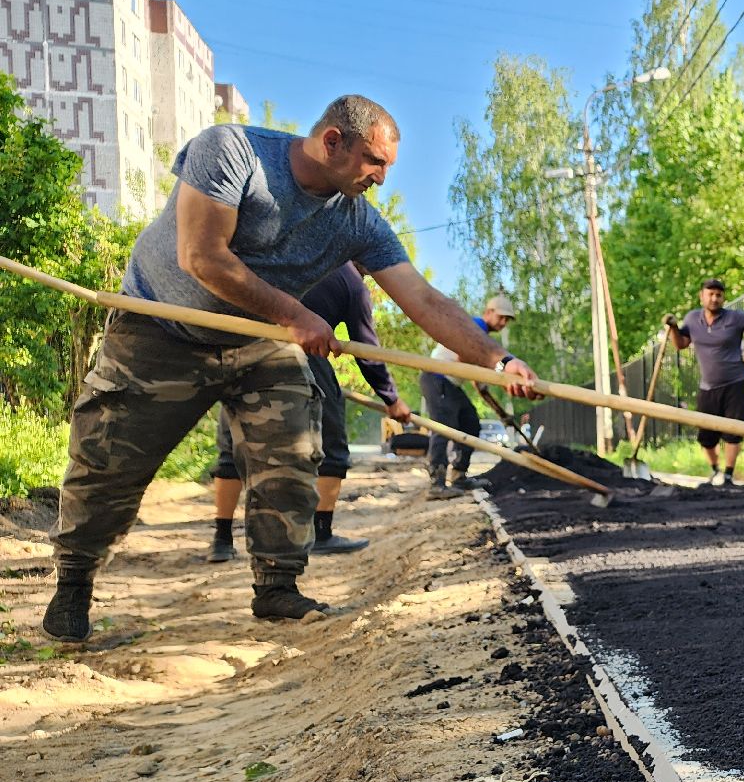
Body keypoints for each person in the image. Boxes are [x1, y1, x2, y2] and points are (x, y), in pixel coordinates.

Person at [41, 95, 538, 643]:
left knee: (294, 451)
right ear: (332, 142)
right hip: (162, 332)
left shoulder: (358, 223)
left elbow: (423, 300)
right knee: (108, 462)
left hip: (260, 342)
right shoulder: (231, 153)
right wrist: (297, 313)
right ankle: (73, 582)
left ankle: (277, 585)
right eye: (374, 162)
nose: (380, 177)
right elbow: (202, 256)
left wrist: (499, 359)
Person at [206, 261, 410, 562]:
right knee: (332, 446)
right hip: (302, 353)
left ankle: (221, 540)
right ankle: (321, 533)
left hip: (244, 349)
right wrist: (392, 399)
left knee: (234, 443)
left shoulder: (294, 253)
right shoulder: (352, 283)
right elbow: (367, 350)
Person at [663, 278, 744, 486]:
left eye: (718, 295)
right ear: (701, 296)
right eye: (710, 294)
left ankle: (728, 474)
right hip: (708, 386)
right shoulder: (692, 319)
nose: (714, 298)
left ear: (723, 298)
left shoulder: (735, 318)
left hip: (736, 383)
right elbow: (681, 344)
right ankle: (714, 470)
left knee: (733, 431)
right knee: (706, 435)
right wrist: (673, 327)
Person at [421, 294, 516, 500]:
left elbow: (479, 384)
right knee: (443, 427)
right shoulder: (475, 326)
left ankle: (459, 475)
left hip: (451, 383)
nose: (503, 323)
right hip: (437, 377)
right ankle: (437, 483)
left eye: (507, 320)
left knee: (470, 423)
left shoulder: (482, 338)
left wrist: (501, 414)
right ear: (488, 312)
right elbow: (464, 356)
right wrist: (490, 366)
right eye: (501, 317)